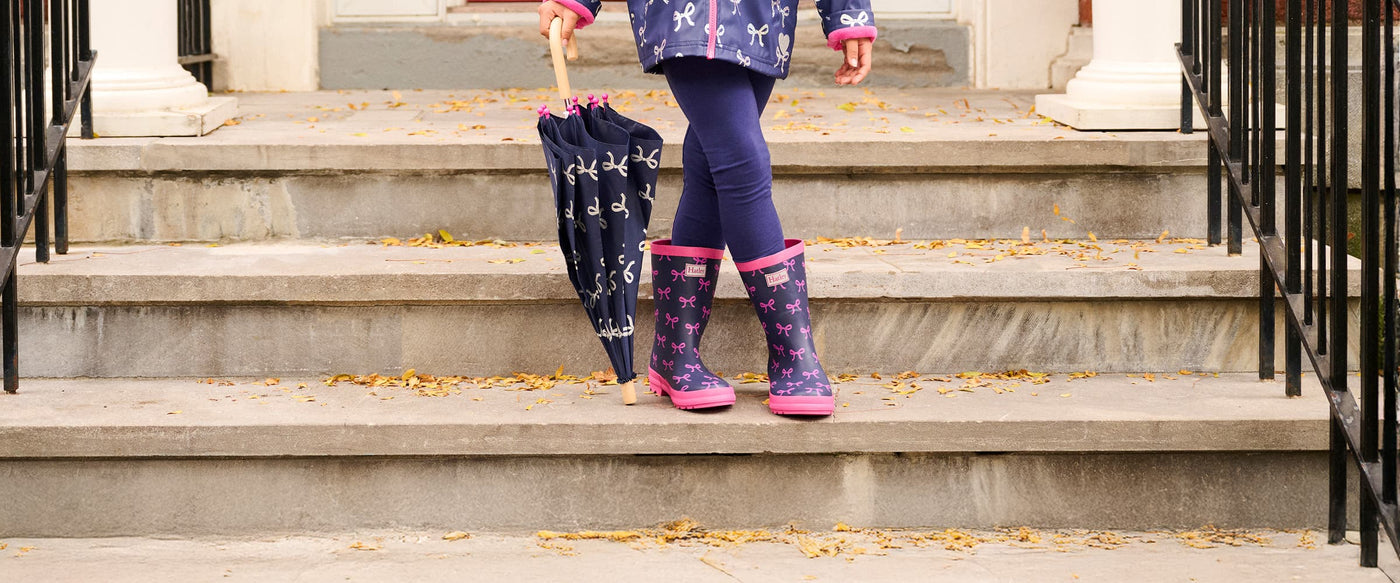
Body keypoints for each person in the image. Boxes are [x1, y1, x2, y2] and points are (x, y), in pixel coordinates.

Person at [537, 0, 876, 416]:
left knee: (711, 171)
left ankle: (674, 352)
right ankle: (792, 353)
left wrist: (848, 12)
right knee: (743, 165)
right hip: (687, 16)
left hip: (764, 17)